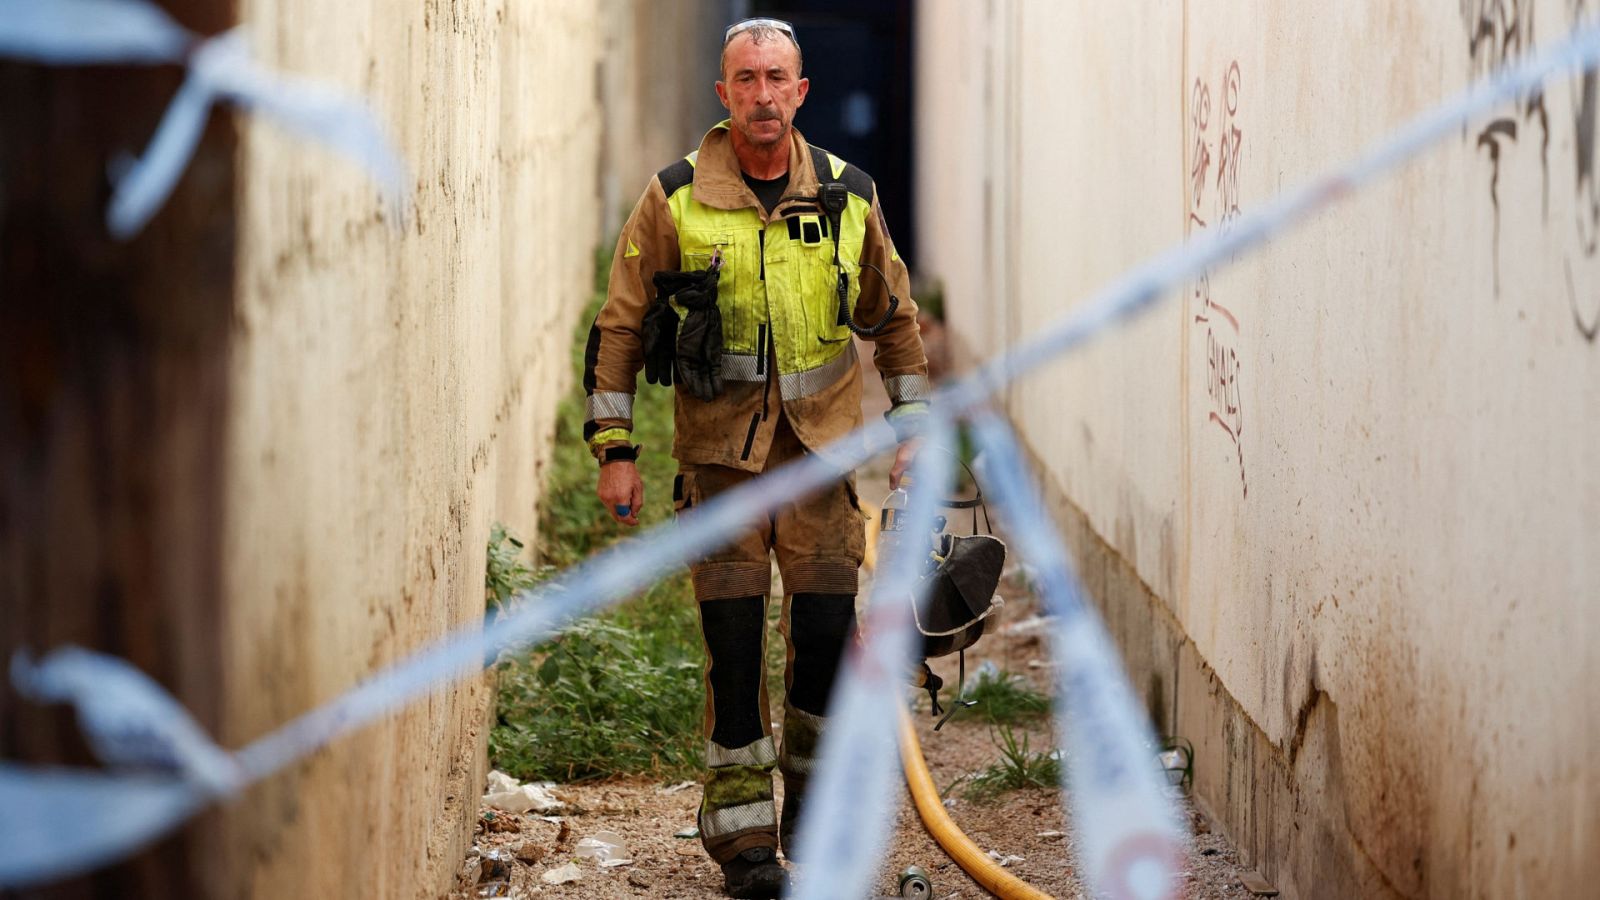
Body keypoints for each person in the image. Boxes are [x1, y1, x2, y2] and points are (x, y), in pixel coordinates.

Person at [582, 17, 929, 898]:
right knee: (732, 651)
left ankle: (814, 815)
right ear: (723, 93)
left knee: (821, 641)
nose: (764, 95)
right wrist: (615, 449)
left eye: (779, 78)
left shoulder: (850, 197)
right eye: (748, 79)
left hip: (819, 461)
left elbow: (895, 322)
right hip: (722, 465)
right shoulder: (675, 200)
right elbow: (618, 329)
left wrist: (914, 430)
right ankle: (743, 844)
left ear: (801, 92)